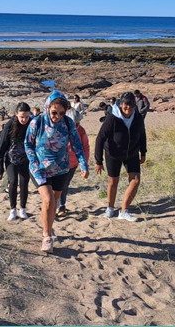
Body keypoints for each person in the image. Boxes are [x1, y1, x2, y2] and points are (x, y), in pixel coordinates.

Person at [25, 90, 89, 253]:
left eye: (62, 113)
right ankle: (47, 236)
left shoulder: (68, 123)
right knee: (48, 201)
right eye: (54, 112)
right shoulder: (37, 122)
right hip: (40, 169)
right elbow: (28, 144)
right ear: (47, 108)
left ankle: (49, 226)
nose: (58, 116)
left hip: (61, 169)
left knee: (53, 203)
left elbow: (77, 146)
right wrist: (34, 161)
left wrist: (83, 164)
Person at [95, 92, 146, 222]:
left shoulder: (138, 118)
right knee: (113, 182)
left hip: (132, 153)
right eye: (126, 105)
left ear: (135, 106)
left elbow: (142, 135)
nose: (128, 108)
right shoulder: (112, 119)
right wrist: (98, 161)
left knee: (135, 181)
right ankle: (110, 208)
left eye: (131, 106)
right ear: (121, 104)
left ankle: (124, 210)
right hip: (113, 154)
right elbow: (100, 138)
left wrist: (143, 152)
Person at [0, 102, 33, 221]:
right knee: (12, 182)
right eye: (22, 116)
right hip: (10, 159)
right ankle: (13, 210)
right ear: (16, 114)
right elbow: (2, 146)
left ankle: (22, 209)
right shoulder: (10, 125)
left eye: (27, 117)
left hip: (25, 159)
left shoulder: (32, 124)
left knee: (24, 183)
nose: (24, 119)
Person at [57, 107, 89, 218]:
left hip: (73, 163)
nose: (75, 125)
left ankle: (60, 204)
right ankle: (60, 205)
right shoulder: (60, 128)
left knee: (65, 184)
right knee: (61, 184)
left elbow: (85, 147)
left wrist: (84, 164)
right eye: (72, 123)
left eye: (77, 123)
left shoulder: (81, 131)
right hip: (60, 162)